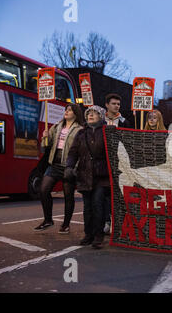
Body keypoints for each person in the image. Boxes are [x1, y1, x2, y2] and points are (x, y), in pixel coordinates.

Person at [34, 104, 84, 233]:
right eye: (66, 110)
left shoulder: (80, 129)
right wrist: (45, 137)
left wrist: (76, 167)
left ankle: (66, 224)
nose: (66, 112)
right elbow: (45, 147)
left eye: (69, 110)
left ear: (75, 113)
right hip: (54, 164)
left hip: (69, 165)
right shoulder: (56, 126)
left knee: (68, 196)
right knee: (43, 190)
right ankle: (48, 220)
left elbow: (81, 150)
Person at [65, 105, 110, 249]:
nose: (90, 115)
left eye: (94, 113)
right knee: (87, 207)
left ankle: (98, 236)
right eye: (88, 113)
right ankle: (88, 234)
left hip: (101, 176)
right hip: (84, 175)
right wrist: (69, 167)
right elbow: (73, 153)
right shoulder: (80, 134)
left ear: (101, 116)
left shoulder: (108, 132)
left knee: (98, 205)